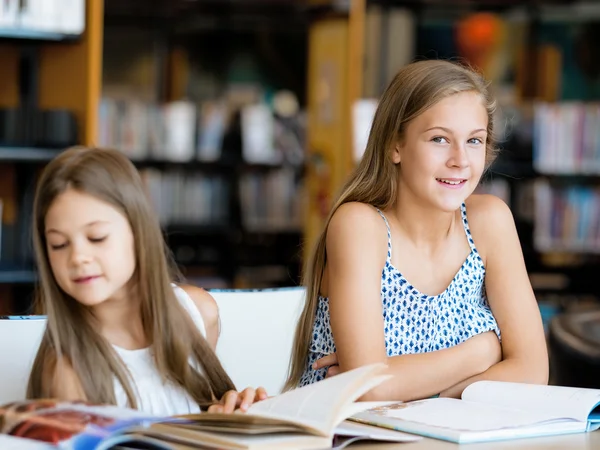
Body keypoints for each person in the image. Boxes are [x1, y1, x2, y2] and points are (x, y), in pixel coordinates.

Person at [284, 59, 549, 401]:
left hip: (452, 434)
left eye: (474, 141)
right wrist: (481, 352)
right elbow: (370, 390)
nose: (460, 160)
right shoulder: (360, 226)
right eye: (439, 139)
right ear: (396, 145)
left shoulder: (490, 222)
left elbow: (532, 371)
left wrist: (416, 387)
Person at [26, 146, 267, 415]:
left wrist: (235, 413)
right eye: (58, 244)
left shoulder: (198, 313)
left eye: (97, 237)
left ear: (138, 231)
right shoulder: (66, 372)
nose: (78, 257)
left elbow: (200, 414)